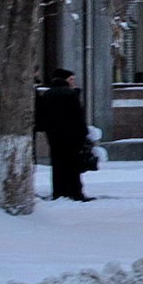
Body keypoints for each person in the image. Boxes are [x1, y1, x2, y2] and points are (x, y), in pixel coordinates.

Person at [35, 69, 92, 201]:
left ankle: (59, 191)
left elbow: (44, 116)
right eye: (71, 79)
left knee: (57, 163)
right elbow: (77, 116)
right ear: (65, 80)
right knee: (72, 164)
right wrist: (84, 134)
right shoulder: (70, 94)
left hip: (54, 136)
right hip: (72, 135)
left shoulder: (47, 94)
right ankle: (74, 192)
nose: (73, 82)